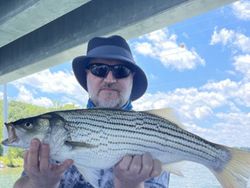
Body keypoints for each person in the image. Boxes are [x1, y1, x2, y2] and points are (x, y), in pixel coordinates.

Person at [14, 35, 170, 188]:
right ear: (87, 76)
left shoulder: (154, 130)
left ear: (132, 79)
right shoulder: (51, 135)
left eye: (121, 70)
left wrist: (130, 185)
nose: (109, 79)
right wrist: (38, 184)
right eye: (99, 69)